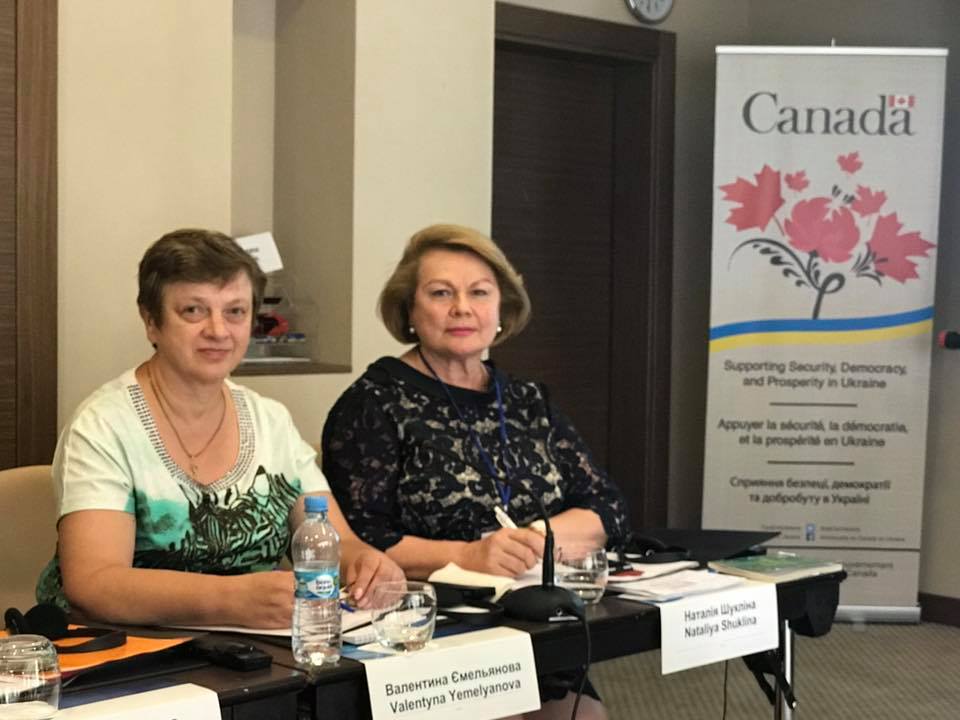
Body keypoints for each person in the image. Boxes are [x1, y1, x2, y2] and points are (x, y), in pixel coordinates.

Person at [322, 223, 628, 719]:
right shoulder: (373, 402)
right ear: (410, 311)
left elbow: (607, 507)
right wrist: (469, 555)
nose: (462, 307)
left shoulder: (528, 399)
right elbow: (359, 542)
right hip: (424, 627)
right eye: (441, 293)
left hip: (531, 614)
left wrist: (534, 539)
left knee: (583, 717)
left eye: (479, 292)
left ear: (501, 308)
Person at [36, 229, 402, 629]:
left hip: (257, 648)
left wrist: (367, 563)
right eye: (193, 310)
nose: (218, 330)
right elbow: (94, 583)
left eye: (235, 312)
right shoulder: (103, 426)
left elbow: (336, 540)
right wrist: (230, 599)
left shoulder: (271, 419)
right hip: (128, 650)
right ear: (151, 321)